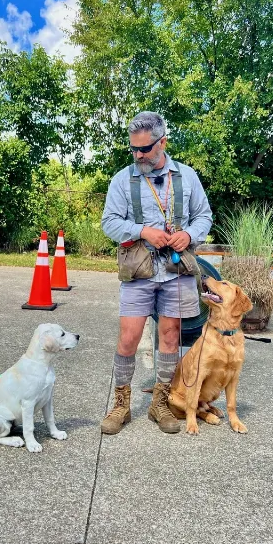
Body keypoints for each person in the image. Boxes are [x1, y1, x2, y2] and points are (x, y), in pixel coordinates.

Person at [100, 111, 213, 435]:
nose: (138, 155)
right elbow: (110, 222)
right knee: (129, 337)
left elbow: (204, 216)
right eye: (133, 149)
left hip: (176, 271)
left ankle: (160, 404)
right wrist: (142, 231)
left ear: (162, 142)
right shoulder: (123, 179)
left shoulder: (188, 176)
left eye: (145, 149)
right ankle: (121, 406)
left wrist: (189, 235)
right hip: (139, 270)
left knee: (170, 336)